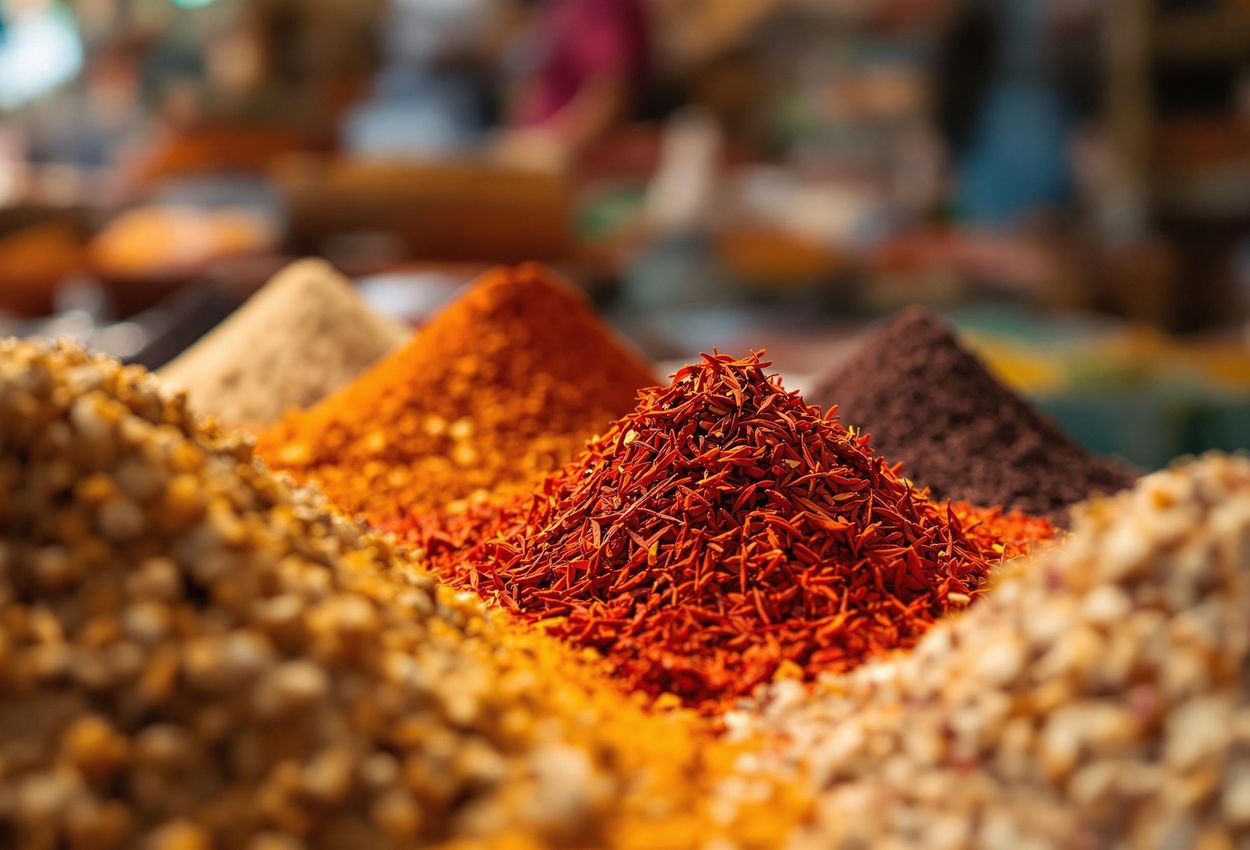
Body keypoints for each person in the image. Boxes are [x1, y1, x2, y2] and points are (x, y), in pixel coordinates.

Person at [497, 0, 649, 171]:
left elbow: (610, 94)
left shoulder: (603, 6)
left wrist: (552, 147)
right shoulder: (559, 6)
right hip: (536, 143)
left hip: (578, 161)